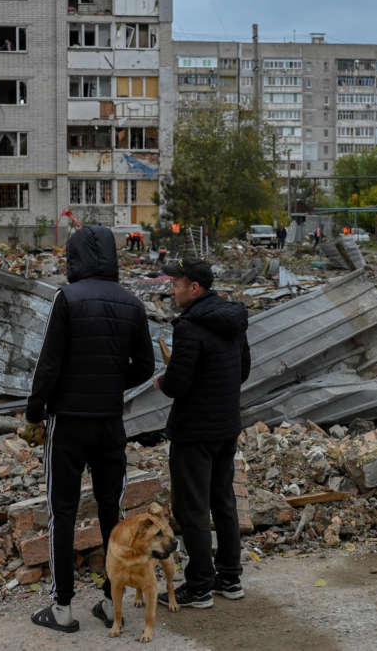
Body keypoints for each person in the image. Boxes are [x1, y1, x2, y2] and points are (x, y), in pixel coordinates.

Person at [20, 225, 156, 633]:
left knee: (62, 511)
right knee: (111, 512)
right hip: (110, 423)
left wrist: (34, 411)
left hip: (69, 424)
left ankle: (62, 607)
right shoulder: (132, 303)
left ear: (74, 257)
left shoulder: (67, 298)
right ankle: (105, 599)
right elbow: (146, 366)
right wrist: (113, 382)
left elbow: (49, 363)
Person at [154, 258, 250, 609]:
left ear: (194, 288)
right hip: (226, 425)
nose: (172, 290)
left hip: (194, 430)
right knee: (223, 501)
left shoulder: (190, 326)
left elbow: (178, 383)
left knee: (191, 507)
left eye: (176, 284)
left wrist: (162, 382)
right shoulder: (234, 320)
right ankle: (230, 577)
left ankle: (199, 587)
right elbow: (243, 371)